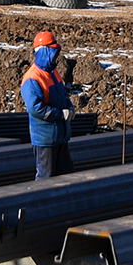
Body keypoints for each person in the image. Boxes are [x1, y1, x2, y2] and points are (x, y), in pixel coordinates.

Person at [19, 29, 75, 180]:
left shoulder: (52, 72)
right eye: (54, 52)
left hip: (60, 136)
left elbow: (62, 94)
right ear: (44, 52)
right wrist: (60, 114)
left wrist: (69, 107)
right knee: (46, 178)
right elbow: (35, 108)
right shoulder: (32, 79)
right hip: (45, 140)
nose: (57, 57)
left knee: (66, 176)